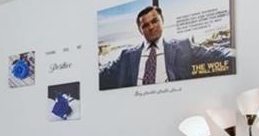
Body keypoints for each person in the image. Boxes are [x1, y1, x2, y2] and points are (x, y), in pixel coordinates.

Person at [99, 5, 234, 90]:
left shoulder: (184, 47)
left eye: (154, 21)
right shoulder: (126, 56)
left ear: (162, 21)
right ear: (140, 30)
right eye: (145, 25)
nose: (151, 27)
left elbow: (217, 53)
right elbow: (103, 74)